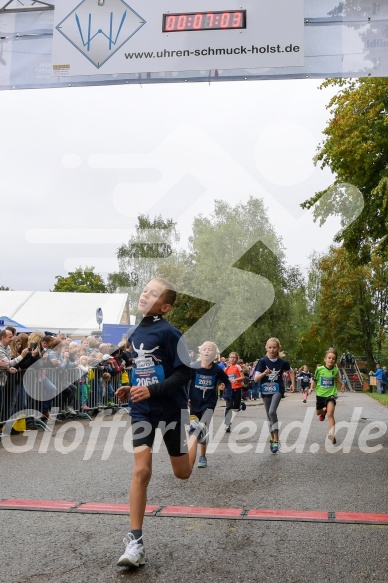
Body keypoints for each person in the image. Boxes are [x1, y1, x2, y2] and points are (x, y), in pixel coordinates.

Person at [115, 278, 207, 568]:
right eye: (145, 289)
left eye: (153, 293)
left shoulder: (171, 333)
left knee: (182, 473)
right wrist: (131, 388)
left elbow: (184, 374)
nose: (145, 294)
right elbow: (143, 371)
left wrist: (152, 390)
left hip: (172, 409)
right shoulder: (132, 333)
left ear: (165, 306)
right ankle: (135, 543)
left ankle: (195, 433)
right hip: (141, 409)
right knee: (141, 469)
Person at [189, 341, 232, 468]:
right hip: (194, 403)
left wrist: (227, 395)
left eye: (210, 350)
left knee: (203, 427)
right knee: (194, 430)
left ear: (215, 354)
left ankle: (202, 457)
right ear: (200, 352)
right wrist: (185, 397)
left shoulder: (217, 369)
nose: (207, 351)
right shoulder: (194, 367)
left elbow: (227, 383)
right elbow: (184, 382)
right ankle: (191, 455)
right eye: (204, 349)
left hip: (209, 403)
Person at [254, 337, 295, 453]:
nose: (272, 350)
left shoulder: (282, 362)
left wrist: (292, 383)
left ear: (278, 348)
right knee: (269, 417)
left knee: (272, 412)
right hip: (265, 390)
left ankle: (276, 440)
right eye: (270, 347)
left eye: (274, 347)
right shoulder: (262, 362)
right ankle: (273, 439)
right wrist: (264, 373)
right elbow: (256, 379)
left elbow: (291, 371)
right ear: (266, 348)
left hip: (277, 389)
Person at [309, 348, 345, 444]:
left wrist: (342, 384)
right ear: (325, 359)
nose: (331, 360)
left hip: (331, 394)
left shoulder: (335, 369)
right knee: (318, 413)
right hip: (320, 395)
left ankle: (332, 434)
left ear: (335, 361)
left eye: (333, 359)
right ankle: (323, 412)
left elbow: (335, 378)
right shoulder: (319, 369)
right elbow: (315, 380)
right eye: (329, 358)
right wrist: (311, 388)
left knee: (330, 413)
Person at [224, 352, 247, 433]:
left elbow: (243, 377)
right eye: (231, 357)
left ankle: (240, 405)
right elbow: (224, 379)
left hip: (237, 389)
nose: (232, 359)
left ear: (237, 359)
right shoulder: (226, 369)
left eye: (234, 357)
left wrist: (236, 379)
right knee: (228, 407)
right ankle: (227, 424)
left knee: (235, 408)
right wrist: (224, 384)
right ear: (228, 358)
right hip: (229, 390)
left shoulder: (238, 367)